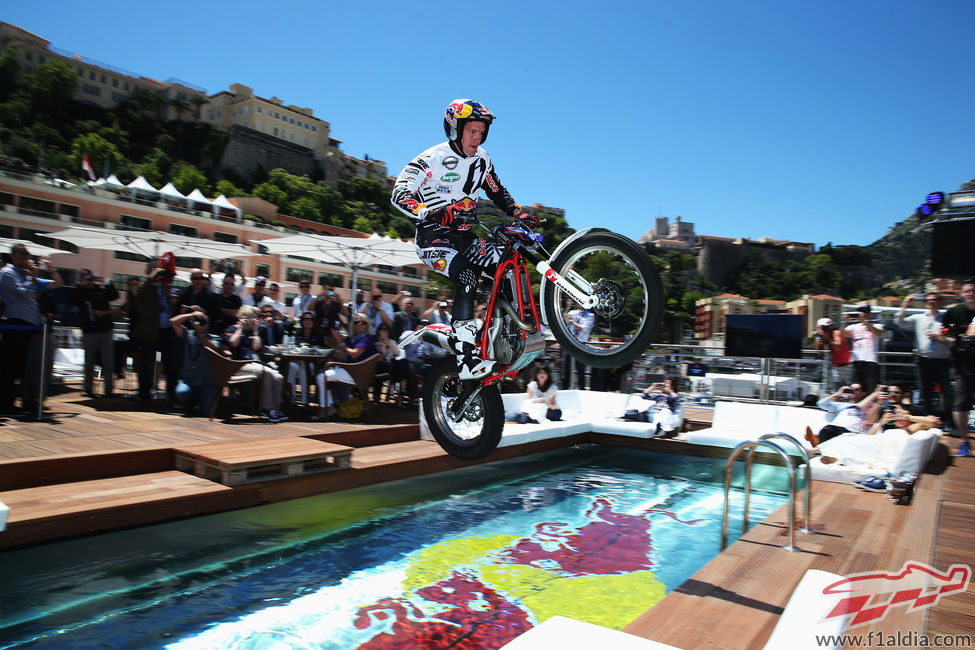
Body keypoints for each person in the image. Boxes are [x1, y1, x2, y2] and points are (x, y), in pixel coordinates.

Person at [391, 98, 539, 380]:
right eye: (472, 131)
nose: (478, 137)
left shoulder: (483, 159)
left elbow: (498, 192)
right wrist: (432, 212)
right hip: (433, 238)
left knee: (508, 266)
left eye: (482, 132)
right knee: (467, 277)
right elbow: (399, 194)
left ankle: (503, 338)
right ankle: (466, 359)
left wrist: (519, 213)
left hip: (466, 237)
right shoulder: (431, 158)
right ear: (454, 129)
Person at [0, 243, 63, 416]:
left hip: (29, 326)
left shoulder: (25, 274)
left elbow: (57, 284)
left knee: (23, 367)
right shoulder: (7, 273)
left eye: (28, 255)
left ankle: (21, 402)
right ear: (12, 256)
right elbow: (23, 293)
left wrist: (51, 270)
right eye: (22, 254)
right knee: (10, 367)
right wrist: (32, 277)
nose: (26, 257)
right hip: (15, 324)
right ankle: (5, 405)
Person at [224, 305, 288, 423]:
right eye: (245, 318)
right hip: (237, 364)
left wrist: (255, 330)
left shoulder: (252, 331)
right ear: (239, 317)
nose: (247, 320)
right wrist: (240, 328)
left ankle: (276, 409)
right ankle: (267, 409)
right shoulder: (231, 329)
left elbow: (256, 346)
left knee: (279, 377)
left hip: (253, 364)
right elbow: (233, 343)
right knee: (266, 372)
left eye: (250, 318)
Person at [896, 293, 952, 425]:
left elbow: (952, 340)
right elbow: (900, 322)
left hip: (942, 360)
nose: (931, 302)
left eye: (934, 300)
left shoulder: (946, 319)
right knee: (925, 392)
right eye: (929, 300)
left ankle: (947, 420)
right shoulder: (918, 317)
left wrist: (937, 337)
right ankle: (927, 419)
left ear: (940, 302)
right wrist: (905, 303)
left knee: (946, 391)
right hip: (923, 360)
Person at [314, 313, 376, 420]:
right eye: (356, 322)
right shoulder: (351, 338)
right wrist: (339, 341)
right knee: (322, 372)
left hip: (357, 374)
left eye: (362, 322)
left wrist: (343, 344)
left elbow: (355, 353)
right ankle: (331, 405)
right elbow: (343, 358)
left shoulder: (366, 338)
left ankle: (327, 407)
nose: (359, 324)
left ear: (366, 325)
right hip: (349, 371)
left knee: (321, 377)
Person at [72, 269, 120, 398]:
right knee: (89, 363)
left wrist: (108, 283)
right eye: (86, 279)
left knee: (108, 362)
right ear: (81, 280)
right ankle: (88, 389)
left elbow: (114, 295)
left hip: (106, 331)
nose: (89, 281)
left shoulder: (101, 290)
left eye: (90, 278)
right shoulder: (80, 293)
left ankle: (108, 390)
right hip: (89, 332)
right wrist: (81, 286)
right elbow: (73, 299)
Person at [941, 280, 975, 456]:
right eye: (967, 291)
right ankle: (964, 442)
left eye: (973, 290)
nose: (971, 293)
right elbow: (945, 332)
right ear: (962, 293)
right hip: (962, 363)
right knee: (961, 402)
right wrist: (950, 336)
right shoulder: (954, 312)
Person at [170, 310, 217, 416]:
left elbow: (214, 349)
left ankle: (199, 399)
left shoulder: (213, 338)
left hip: (207, 381)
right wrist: (192, 314)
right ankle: (192, 399)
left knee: (206, 410)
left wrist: (202, 334)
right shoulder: (188, 335)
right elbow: (173, 322)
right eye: (199, 321)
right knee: (181, 393)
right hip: (189, 380)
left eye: (204, 321)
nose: (201, 323)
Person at [805, 383, 881, 447]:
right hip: (836, 426)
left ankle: (816, 440)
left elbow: (872, 417)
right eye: (851, 389)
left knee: (840, 438)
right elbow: (821, 403)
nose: (853, 391)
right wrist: (838, 393)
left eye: (856, 390)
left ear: (863, 393)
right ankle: (816, 442)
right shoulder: (842, 405)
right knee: (827, 429)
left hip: (851, 430)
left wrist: (876, 395)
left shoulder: (870, 405)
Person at [288, 310, 326, 408]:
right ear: (302, 321)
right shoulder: (298, 334)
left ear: (314, 321)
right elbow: (293, 349)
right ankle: (292, 400)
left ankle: (304, 402)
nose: (308, 321)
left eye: (310, 319)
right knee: (292, 366)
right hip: (299, 361)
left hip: (313, 364)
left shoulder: (318, 335)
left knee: (303, 367)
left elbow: (324, 349)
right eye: (305, 319)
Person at [842, 305, 883, 393]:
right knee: (855, 388)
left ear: (869, 314)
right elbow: (843, 336)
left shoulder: (877, 325)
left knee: (871, 388)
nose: (862, 314)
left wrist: (866, 322)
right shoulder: (854, 327)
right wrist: (845, 323)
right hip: (857, 361)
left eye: (865, 312)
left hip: (870, 361)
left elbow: (878, 333)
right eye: (861, 311)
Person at [560, 299, 596, 390]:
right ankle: (565, 388)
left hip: (581, 344)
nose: (581, 304)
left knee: (581, 370)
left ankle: (582, 389)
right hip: (571, 343)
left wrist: (572, 321)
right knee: (566, 369)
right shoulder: (573, 312)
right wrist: (567, 308)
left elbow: (583, 329)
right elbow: (565, 320)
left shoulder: (590, 316)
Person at [376, 322, 411, 407]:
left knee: (403, 363)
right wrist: (383, 344)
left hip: (393, 364)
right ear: (379, 331)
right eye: (382, 329)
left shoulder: (392, 341)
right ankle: (402, 391)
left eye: (386, 329)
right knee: (403, 365)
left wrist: (388, 343)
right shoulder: (377, 342)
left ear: (389, 332)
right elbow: (380, 357)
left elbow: (397, 353)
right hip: (383, 365)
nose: (384, 331)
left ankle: (401, 390)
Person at [814, 317, 851, 390]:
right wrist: (819, 336)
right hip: (836, 366)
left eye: (827, 327)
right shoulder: (825, 336)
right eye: (823, 328)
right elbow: (818, 349)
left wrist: (827, 338)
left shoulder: (836, 333)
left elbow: (838, 346)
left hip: (847, 366)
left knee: (849, 388)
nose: (826, 329)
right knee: (837, 389)